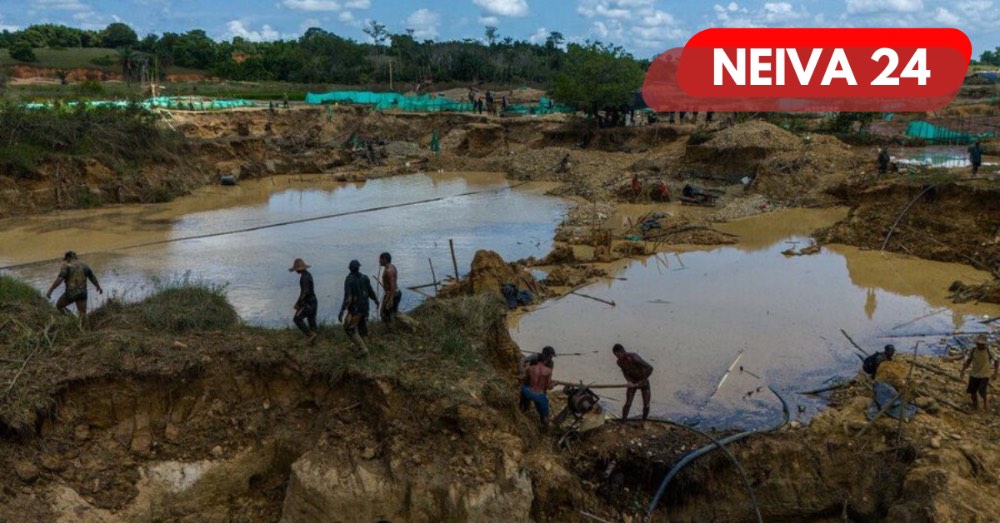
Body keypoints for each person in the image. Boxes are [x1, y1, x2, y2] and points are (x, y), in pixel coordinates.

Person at [46, 251, 102, 323]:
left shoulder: (66, 266)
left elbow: (60, 279)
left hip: (71, 293)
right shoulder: (84, 265)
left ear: (68, 258)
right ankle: (85, 329)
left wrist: (51, 290)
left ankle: (73, 319)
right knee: (83, 315)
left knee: (59, 307)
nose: (66, 261)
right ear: (75, 257)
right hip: (83, 293)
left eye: (66, 259)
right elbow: (92, 276)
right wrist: (98, 286)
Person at [338, 259, 378, 357]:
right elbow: (370, 291)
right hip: (365, 308)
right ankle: (365, 345)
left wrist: (342, 311)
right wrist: (376, 300)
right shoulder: (365, 277)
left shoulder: (349, 279)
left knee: (349, 329)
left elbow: (348, 298)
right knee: (362, 327)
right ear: (359, 268)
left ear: (350, 268)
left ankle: (363, 349)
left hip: (356, 310)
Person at [613, 344, 653, 421]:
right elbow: (624, 372)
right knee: (628, 404)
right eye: (616, 356)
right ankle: (623, 422)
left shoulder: (633, 357)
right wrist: (628, 381)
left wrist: (642, 381)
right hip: (633, 382)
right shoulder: (619, 362)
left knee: (646, 405)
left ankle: (643, 421)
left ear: (622, 351)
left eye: (618, 355)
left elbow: (650, 368)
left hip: (643, 382)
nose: (617, 357)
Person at [960, 335, 998, 410]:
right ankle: (976, 406)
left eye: (981, 344)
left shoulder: (988, 351)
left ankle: (985, 401)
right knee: (972, 392)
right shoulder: (973, 350)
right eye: (978, 344)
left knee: (981, 390)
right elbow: (969, 360)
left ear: (984, 344)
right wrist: (963, 370)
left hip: (985, 374)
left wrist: (995, 372)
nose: (979, 345)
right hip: (974, 374)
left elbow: (996, 361)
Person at [522, 348, 556, 428]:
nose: (550, 359)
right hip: (540, 392)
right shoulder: (548, 370)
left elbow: (525, 378)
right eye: (550, 357)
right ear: (546, 359)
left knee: (524, 403)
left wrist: (522, 373)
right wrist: (554, 384)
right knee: (544, 414)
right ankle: (545, 428)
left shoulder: (530, 368)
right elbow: (548, 386)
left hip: (527, 390)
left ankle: (523, 414)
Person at [289, 258, 318, 345]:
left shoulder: (304, 278)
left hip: (308, 303)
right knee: (311, 321)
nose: (296, 271)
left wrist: (298, 303)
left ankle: (310, 335)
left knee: (297, 319)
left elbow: (304, 292)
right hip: (314, 302)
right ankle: (314, 342)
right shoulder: (308, 275)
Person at [378, 252, 401, 325]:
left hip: (393, 294)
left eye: (380, 259)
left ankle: (393, 331)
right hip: (392, 293)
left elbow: (392, 285)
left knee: (386, 314)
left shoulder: (389, 271)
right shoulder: (390, 267)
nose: (379, 261)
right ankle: (394, 328)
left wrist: (390, 299)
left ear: (384, 260)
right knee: (391, 313)